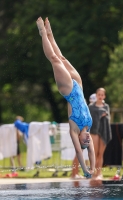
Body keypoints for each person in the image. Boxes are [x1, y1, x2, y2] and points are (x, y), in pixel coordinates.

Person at [36, 17, 95, 178]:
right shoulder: (88, 125)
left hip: (68, 90)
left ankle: (42, 33)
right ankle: (50, 33)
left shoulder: (74, 130)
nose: (88, 139)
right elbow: (91, 151)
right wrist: (94, 168)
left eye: (86, 141)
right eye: (88, 141)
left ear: (80, 139)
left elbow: (79, 151)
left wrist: (85, 169)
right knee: (61, 57)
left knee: (55, 60)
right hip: (79, 85)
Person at [89, 88, 112, 179]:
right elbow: (89, 118)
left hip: (104, 131)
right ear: (96, 95)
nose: (100, 96)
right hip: (94, 131)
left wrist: (104, 116)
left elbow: (108, 119)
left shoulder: (106, 106)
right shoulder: (91, 106)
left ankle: (99, 173)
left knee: (101, 153)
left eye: (102, 95)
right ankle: (93, 172)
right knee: (95, 152)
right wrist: (100, 115)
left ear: (104, 96)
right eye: (99, 94)